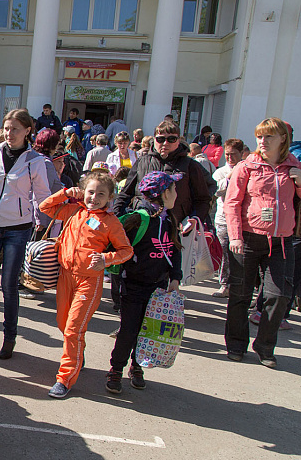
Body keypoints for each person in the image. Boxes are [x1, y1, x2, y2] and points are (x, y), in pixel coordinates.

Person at [0, 109, 52, 360]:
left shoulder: (35, 161)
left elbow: (43, 196)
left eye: (15, 129)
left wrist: (43, 220)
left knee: (8, 285)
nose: (9, 133)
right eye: (6, 128)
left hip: (19, 228)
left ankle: (9, 337)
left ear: (27, 131)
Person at [39, 171, 133, 398]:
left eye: (101, 194)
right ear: (83, 192)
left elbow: (126, 251)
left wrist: (106, 259)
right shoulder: (74, 211)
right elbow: (45, 208)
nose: (94, 197)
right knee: (64, 324)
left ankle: (65, 378)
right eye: (90, 192)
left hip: (89, 281)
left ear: (110, 197)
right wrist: (65, 193)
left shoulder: (111, 222)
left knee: (73, 329)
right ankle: (77, 356)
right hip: (65, 277)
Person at [223, 118, 301, 369]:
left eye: (268, 137)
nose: (262, 142)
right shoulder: (247, 166)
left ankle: (265, 346)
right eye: (259, 137)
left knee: (278, 296)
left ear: (282, 140)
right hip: (247, 239)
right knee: (240, 295)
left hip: (282, 241)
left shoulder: (292, 165)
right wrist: (234, 235)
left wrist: (299, 181)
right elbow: (232, 202)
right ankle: (236, 344)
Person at [106, 171, 184, 394]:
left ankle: (137, 366)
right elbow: (119, 247)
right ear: (163, 194)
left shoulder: (169, 218)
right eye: (174, 189)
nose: (176, 194)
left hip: (157, 287)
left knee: (146, 331)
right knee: (128, 330)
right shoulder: (138, 219)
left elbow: (175, 249)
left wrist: (175, 277)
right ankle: (116, 369)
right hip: (132, 285)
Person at [115, 120, 211, 230]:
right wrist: (115, 217)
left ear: (178, 141)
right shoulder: (142, 161)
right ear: (154, 140)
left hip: (177, 228)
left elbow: (203, 199)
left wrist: (195, 218)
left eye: (171, 139)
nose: (165, 143)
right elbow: (125, 194)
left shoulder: (191, 165)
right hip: (143, 225)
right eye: (160, 139)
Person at [211, 139, 246, 298]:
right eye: (227, 155)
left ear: (241, 154)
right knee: (225, 252)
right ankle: (224, 284)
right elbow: (216, 191)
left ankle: (239, 285)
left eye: (233, 155)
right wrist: (230, 176)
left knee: (241, 255)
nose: (230, 158)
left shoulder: (247, 169)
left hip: (243, 219)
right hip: (224, 219)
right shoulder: (221, 172)